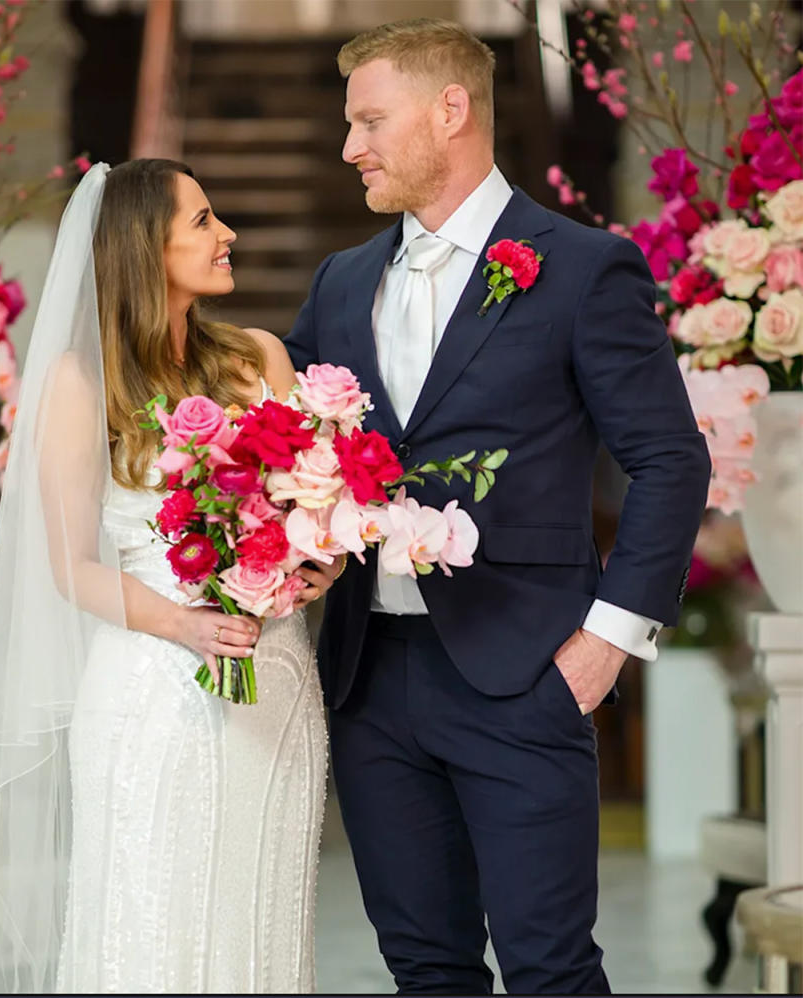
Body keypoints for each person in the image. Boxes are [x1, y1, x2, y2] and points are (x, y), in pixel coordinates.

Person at [285, 19, 711, 995]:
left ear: (451, 110)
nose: (349, 146)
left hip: (523, 673)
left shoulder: (582, 267)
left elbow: (668, 460)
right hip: (367, 681)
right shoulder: (341, 282)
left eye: (369, 120)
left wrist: (606, 640)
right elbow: (300, 450)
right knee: (426, 969)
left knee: (551, 969)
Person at [0, 159, 339, 994]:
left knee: (265, 925)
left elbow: (318, 511)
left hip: (274, 682)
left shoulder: (260, 358)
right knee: (153, 925)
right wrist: (186, 626)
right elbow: (68, 566)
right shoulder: (76, 383)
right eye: (203, 221)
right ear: (145, 246)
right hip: (153, 688)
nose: (227, 235)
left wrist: (322, 562)